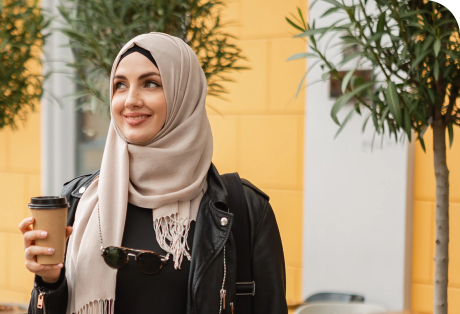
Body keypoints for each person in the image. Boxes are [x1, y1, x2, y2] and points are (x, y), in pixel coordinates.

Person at [18, 32, 287, 314]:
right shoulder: (78, 200)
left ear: (184, 93)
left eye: (150, 84)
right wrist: (49, 281)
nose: (130, 100)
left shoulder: (243, 209)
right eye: (120, 85)